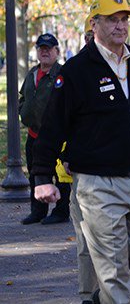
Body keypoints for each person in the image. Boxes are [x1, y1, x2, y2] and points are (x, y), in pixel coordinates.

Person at [31, 0, 130, 304]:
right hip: (98, 183)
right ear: (95, 23)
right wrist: (43, 177)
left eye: (124, 19)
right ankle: (114, 296)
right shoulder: (76, 70)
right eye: (112, 19)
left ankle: (115, 296)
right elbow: (52, 126)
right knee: (112, 267)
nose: (120, 25)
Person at [18, 33, 71, 225]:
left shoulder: (63, 74)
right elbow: (23, 97)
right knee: (35, 173)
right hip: (34, 134)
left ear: (57, 51)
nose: (45, 52)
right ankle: (38, 210)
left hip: (57, 137)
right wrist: (22, 110)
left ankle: (61, 210)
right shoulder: (32, 73)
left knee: (60, 176)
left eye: (49, 48)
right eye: (41, 49)